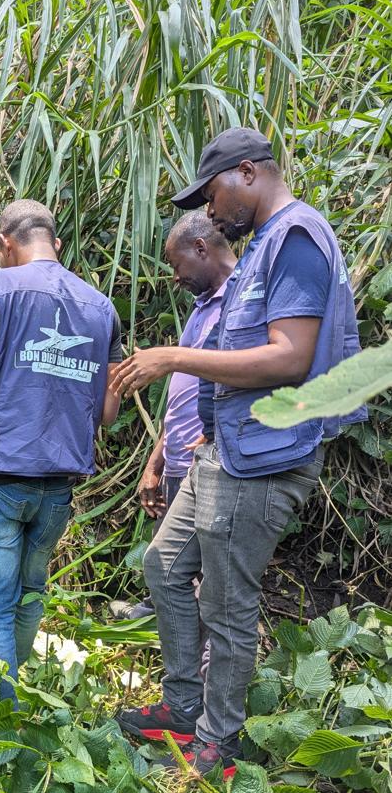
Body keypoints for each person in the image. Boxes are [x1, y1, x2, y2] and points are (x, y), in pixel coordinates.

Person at [109, 127, 365, 778]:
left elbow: (290, 355)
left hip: (264, 456)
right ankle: (182, 705)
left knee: (225, 603)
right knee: (164, 567)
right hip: (224, 448)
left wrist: (171, 358)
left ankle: (217, 749)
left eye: (213, 194)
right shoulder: (261, 247)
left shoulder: (297, 237)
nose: (211, 212)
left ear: (246, 173)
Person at [0, 200, 123, 701]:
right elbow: (108, 414)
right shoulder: (100, 306)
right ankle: (17, 690)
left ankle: (1, 720)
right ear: (56, 244)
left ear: (5, 243)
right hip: (58, 487)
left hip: (2, 479)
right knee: (30, 596)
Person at [109, 212, 235, 623]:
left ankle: (201, 668)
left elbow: (242, 378)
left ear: (201, 248)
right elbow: (182, 398)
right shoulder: (202, 307)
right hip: (179, 461)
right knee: (171, 565)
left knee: (204, 576)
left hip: (213, 463)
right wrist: (154, 463)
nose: (175, 278)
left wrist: (215, 438)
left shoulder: (240, 299)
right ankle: (163, 627)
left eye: (177, 265)